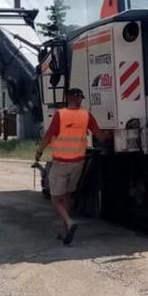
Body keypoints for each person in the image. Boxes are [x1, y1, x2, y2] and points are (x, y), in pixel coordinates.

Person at [34, 88, 109, 245]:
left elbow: (48, 137)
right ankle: (64, 229)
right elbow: (100, 137)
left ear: (67, 98)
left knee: (55, 199)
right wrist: (108, 135)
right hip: (78, 163)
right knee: (68, 195)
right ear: (79, 99)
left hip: (61, 163)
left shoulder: (60, 115)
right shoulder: (86, 115)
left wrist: (39, 152)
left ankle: (68, 222)